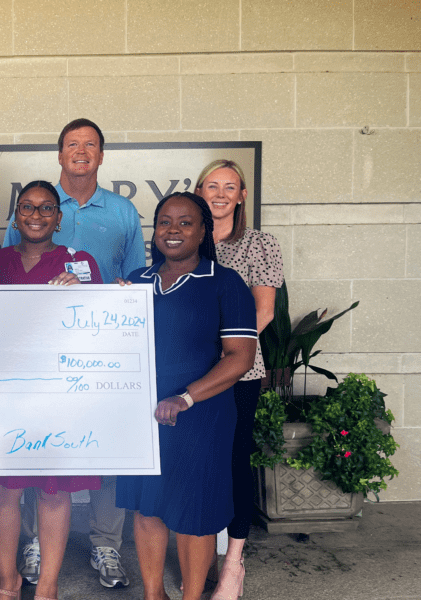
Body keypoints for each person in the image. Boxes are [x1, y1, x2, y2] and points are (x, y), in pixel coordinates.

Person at [3, 118, 146, 589]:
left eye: (90, 145)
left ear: (101, 155)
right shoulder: (25, 221)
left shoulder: (122, 211)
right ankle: (33, 543)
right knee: (31, 457)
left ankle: (106, 543)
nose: (81, 151)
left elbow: (135, 283)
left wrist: (116, 298)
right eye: (72, 144)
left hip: (93, 356)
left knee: (99, 452)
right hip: (26, 366)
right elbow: (1, 290)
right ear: (60, 154)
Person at [115, 191, 257, 600]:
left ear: (203, 231)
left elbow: (240, 358)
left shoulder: (224, 283)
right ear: (153, 230)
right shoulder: (137, 283)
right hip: (142, 415)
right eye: (164, 222)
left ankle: (192, 596)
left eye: (185, 222)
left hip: (201, 415)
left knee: (195, 513)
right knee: (147, 506)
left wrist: (186, 398)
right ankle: (153, 594)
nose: (172, 230)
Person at [0, 180, 103, 600]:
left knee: (53, 491)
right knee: (1, 491)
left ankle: (47, 586)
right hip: (2, 395)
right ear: (15, 216)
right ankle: (8, 582)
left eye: (46, 208)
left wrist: (84, 297)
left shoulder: (79, 263)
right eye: (27, 208)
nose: (36, 216)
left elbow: (99, 327)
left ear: (59, 217)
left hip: (57, 397)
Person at [195, 160, 284, 600]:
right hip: (190, 374)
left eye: (230, 187)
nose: (221, 193)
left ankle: (233, 565)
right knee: (198, 463)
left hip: (239, 372)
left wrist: (225, 354)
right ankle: (201, 559)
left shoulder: (259, 245)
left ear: (242, 196)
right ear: (199, 190)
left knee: (233, 462)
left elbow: (262, 312)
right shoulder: (187, 239)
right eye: (213, 185)